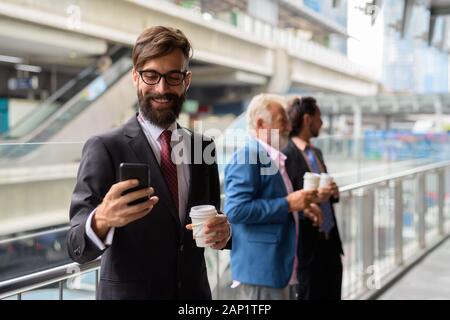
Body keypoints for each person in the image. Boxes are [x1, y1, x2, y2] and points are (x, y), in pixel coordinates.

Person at [67, 26, 231, 300]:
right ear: (135, 77)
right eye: (151, 75)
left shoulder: (204, 147)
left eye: (173, 77)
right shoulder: (105, 147)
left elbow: (212, 220)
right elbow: (74, 246)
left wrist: (224, 233)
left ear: (186, 80)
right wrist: (103, 219)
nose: (162, 88)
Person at [223, 93, 321, 300]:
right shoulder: (247, 157)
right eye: (282, 120)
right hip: (262, 272)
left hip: (277, 268)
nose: (288, 126)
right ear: (261, 124)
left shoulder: (273, 158)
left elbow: (271, 203)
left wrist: (299, 208)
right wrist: (287, 204)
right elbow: (236, 211)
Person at [283, 96, 344, 300]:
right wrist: (307, 205)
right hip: (306, 249)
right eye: (319, 118)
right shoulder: (286, 154)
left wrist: (333, 192)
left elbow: (325, 194)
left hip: (330, 244)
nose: (322, 123)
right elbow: (287, 199)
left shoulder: (316, 152)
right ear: (307, 119)